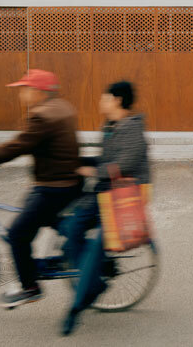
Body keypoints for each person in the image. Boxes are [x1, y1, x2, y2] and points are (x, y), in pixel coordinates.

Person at [0, 69, 82, 308]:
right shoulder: (62, 107)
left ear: (38, 91)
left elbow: (16, 146)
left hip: (54, 188)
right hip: (61, 183)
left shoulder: (42, 116)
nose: (21, 94)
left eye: (25, 89)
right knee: (31, 215)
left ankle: (30, 287)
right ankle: (54, 258)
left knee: (16, 235)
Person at [60, 80, 150, 336]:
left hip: (125, 200)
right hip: (105, 195)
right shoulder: (109, 127)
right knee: (72, 227)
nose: (100, 102)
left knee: (95, 250)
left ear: (117, 100)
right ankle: (93, 280)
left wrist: (91, 170)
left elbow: (124, 164)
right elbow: (104, 160)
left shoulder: (132, 129)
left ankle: (78, 305)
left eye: (104, 98)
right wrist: (76, 161)